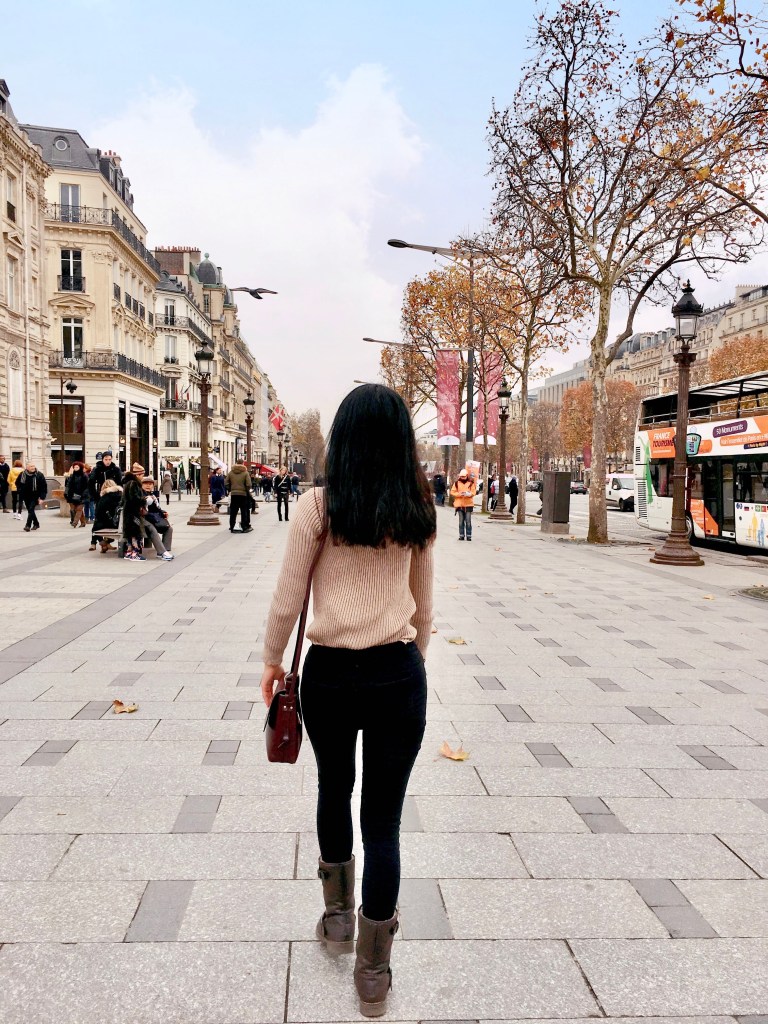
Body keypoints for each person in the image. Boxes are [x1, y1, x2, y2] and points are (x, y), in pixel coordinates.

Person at [260, 384, 435, 1018]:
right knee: (383, 822)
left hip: (329, 675)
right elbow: (425, 600)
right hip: (397, 673)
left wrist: (273, 662)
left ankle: (337, 920)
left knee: (334, 789)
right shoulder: (417, 506)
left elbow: (287, 596)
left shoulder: (318, 506)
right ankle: (373, 970)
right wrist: (415, 661)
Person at [141, 478, 175, 559]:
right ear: (141, 485)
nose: (148, 485)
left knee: (168, 528)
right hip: (144, 520)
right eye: (146, 484)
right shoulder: (140, 495)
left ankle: (165, 550)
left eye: (150, 484)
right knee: (152, 529)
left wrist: (163, 512)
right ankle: (162, 552)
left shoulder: (153, 495)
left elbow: (156, 509)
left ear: (153, 485)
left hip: (153, 519)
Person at [121, 463, 147, 560]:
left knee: (130, 532)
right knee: (135, 532)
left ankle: (129, 552)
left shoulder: (128, 483)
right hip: (133, 512)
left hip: (128, 511)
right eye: (142, 475)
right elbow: (134, 499)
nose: (143, 477)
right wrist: (144, 500)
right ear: (138, 475)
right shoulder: (134, 484)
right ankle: (135, 553)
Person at [92, 479, 122, 553]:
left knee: (96, 526)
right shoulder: (121, 495)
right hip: (120, 523)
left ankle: (102, 542)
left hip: (110, 524)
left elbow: (98, 513)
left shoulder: (104, 498)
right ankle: (106, 543)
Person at [225, 458, 253, 533]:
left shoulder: (231, 472)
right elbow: (249, 484)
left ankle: (232, 526)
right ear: (243, 463)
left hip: (234, 494)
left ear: (236, 463)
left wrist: (231, 489)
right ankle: (244, 527)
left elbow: (226, 483)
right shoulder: (245, 472)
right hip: (243, 494)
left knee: (233, 511)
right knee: (244, 511)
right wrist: (246, 490)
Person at [17, 462, 47, 532]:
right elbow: (17, 483)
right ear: (27, 468)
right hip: (25, 496)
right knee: (30, 510)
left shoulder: (39, 475)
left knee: (31, 509)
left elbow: (44, 487)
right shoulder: (22, 474)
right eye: (31, 466)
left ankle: (28, 525)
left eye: (33, 466)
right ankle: (36, 523)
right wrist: (20, 490)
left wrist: (42, 497)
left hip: (35, 496)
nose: (33, 467)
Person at [450, 468, 476, 541]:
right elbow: (452, 492)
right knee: (461, 521)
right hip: (459, 504)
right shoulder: (456, 483)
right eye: (461, 476)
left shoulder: (471, 483)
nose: (462, 478)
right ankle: (461, 535)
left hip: (468, 504)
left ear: (466, 476)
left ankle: (469, 535)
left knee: (468, 521)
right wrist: (459, 494)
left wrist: (469, 494)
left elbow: (474, 492)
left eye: (464, 476)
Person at [65, 462, 89, 529]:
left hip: (82, 495)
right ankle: (83, 522)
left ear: (80, 468)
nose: (75, 469)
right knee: (75, 509)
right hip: (73, 495)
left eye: (77, 467)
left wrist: (84, 494)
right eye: (74, 467)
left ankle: (75, 522)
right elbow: (68, 485)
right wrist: (66, 492)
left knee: (79, 509)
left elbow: (87, 486)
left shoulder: (84, 476)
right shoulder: (72, 476)